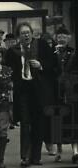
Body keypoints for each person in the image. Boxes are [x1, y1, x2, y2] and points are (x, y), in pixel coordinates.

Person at [6, 22, 54, 167]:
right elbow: (8, 70)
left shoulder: (41, 45)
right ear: (18, 36)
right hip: (23, 91)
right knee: (25, 124)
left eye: (28, 32)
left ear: (32, 34)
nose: (26, 35)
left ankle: (36, 157)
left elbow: (53, 63)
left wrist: (41, 65)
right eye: (22, 33)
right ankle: (25, 157)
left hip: (39, 90)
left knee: (39, 123)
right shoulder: (12, 51)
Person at [53, 26, 78, 163]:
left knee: (73, 119)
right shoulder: (52, 53)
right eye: (59, 36)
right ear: (56, 38)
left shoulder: (73, 53)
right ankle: (59, 150)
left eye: (64, 36)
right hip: (56, 93)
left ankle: (75, 150)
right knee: (57, 120)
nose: (61, 38)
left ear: (69, 38)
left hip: (71, 93)